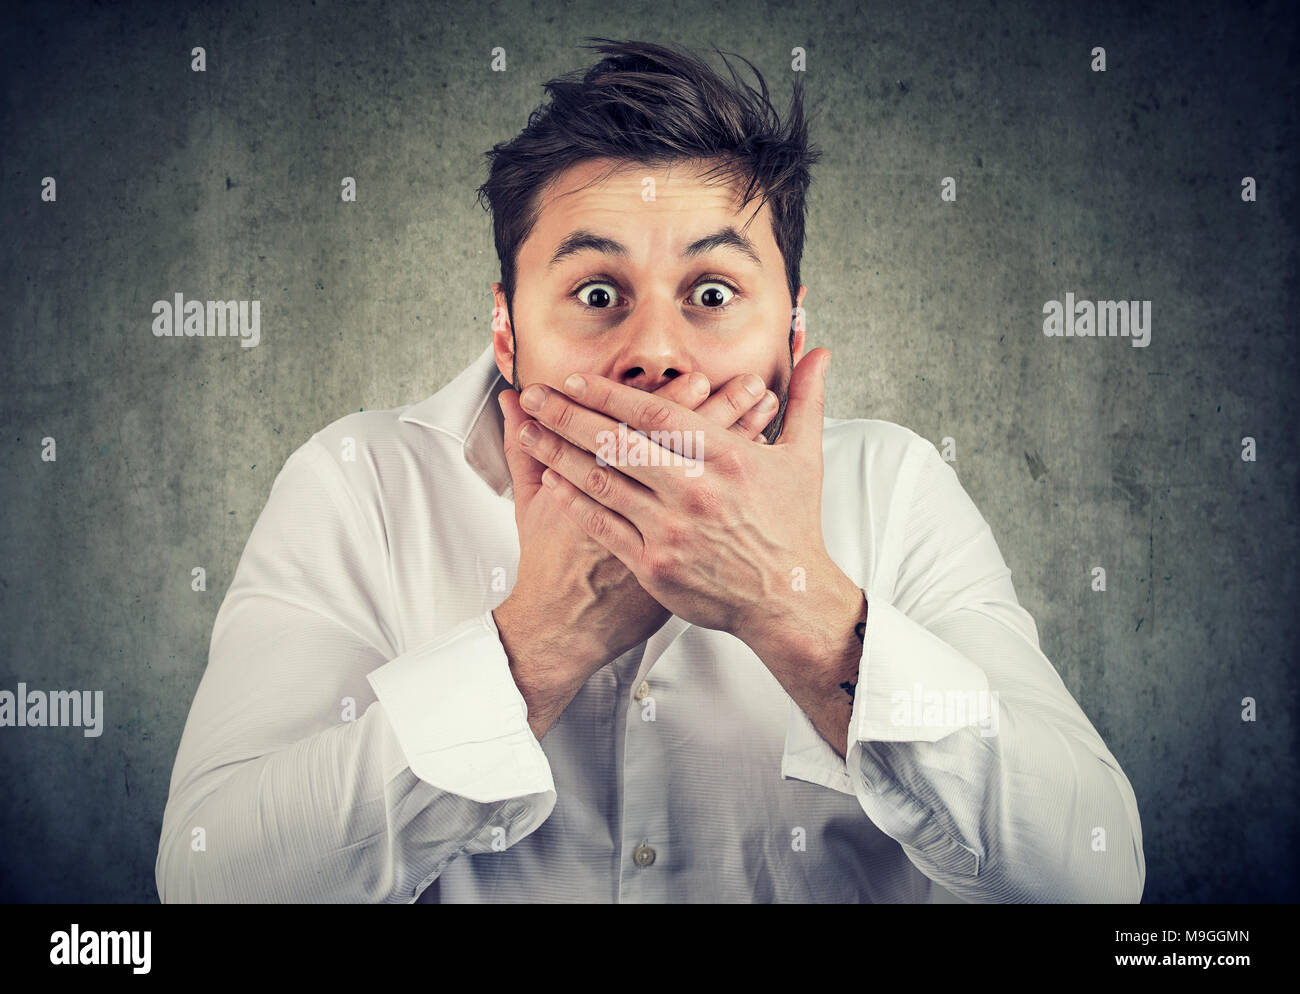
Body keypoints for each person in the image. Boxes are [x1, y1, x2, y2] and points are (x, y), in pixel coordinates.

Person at [156, 38, 1144, 903]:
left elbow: (1091, 874)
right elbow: (210, 882)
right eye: (595, 292)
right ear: (507, 327)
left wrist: (791, 609)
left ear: (791, 325)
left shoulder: (894, 488)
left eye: (712, 290)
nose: (656, 351)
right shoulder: (359, 484)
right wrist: (534, 645)